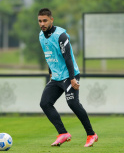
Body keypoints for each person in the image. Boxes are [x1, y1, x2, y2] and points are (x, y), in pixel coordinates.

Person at [38, 8, 98, 147]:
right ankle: (63, 133)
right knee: (45, 103)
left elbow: (68, 58)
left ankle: (91, 134)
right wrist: (50, 72)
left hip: (69, 75)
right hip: (56, 77)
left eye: (45, 20)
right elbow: (49, 54)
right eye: (40, 21)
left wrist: (72, 78)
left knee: (73, 103)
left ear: (51, 20)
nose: (42, 23)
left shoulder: (61, 36)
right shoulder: (41, 36)